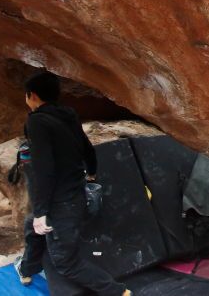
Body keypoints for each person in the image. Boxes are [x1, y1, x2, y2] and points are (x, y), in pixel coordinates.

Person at [13, 71, 131, 296]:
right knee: (31, 226)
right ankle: (27, 269)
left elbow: (44, 169)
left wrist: (41, 212)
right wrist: (92, 174)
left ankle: (118, 291)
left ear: (32, 95)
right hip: (77, 192)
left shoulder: (36, 121)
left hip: (60, 203)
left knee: (65, 261)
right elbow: (87, 148)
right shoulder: (68, 114)